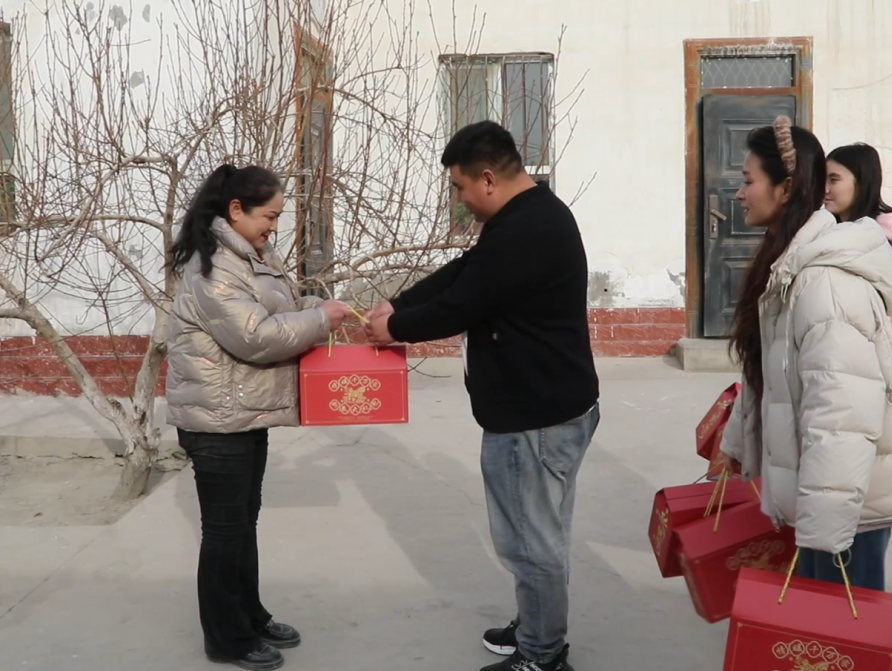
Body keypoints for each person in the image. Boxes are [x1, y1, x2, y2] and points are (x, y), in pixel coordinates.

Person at [364, 120, 599, 671]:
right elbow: (467, 269)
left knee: (530, 543)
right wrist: (400, 303)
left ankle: (542, 655)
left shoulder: (526, 230)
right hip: (550, 407)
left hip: (533, 419)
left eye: (460, 186)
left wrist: (393, 329)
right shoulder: (529, 215)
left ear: (488, 179)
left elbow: (462, 303)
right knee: (543, 534)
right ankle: (538, 626)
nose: (460, 199)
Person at [718, 117, 892, 593]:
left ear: (785, 188)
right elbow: (773, 374)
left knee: (839, 625)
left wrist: (824, 531)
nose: (739, 194)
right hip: (822, 494)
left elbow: (842, 415)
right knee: (816, 618)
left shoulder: (824, 283)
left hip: (847, 505)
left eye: (748, 180)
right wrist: (737, 443)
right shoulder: (788, 265)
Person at [165, 164, 350, 670]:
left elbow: (277, 308)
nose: (274, 226)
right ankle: (226, 638)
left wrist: (317, 305)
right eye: (269, 216)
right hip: (216, 421)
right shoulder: (213, 269)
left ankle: (250, 615)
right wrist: (319, 320)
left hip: (245, 413)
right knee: (225, 531)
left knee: (243, 523)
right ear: (236, 210)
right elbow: (256, 337)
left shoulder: (251, 255)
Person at [823, 143, 892, 337]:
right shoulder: (828, 229)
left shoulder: (882, 231)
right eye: (823, 180)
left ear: (861, 183)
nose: (825, 189)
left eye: (834, 180)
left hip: (871, 342)